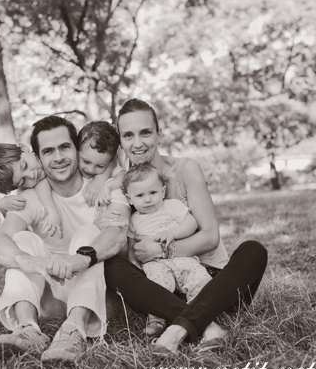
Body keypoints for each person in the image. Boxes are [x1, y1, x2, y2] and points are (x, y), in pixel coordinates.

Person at [103, 98, 269, 353]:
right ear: (121, 142)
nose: (137, 143)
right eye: (128, 135)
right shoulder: (125, 184)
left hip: (211, 283)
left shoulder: (185, 169)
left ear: (160, 134)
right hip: (159, 288)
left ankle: (179, 327)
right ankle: (205, 323)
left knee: (253, 250)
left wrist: (161, 250)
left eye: (145, 132)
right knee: (111, 266)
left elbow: (210, 237)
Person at [0, 115, 130, 363]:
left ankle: (74, 330)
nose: (59, 157)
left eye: (65, 147)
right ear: (38, 156)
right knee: (21, 239)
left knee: (88, 233)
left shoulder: (105, 187)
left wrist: (80, 260)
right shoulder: (31, 196)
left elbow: (117, 234)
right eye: (48, 151)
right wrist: (29, 261)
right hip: (51, 297)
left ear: (76, 147)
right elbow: (0, 241)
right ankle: (27, 329)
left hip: (98, 293)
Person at [123, 162, 217, 338]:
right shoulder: (133, 220)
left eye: (153, 193)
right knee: (156, 287)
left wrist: (172, 232)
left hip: (182, 257)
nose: (148, 199)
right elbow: (131, 249)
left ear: (163, 191)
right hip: (154, 264)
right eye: (140, 195)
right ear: (130, 199)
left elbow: (192, 223)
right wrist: (136, 270)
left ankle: (199, 312)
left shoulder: (171, 206)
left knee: (199, 278)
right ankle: (156, 320)